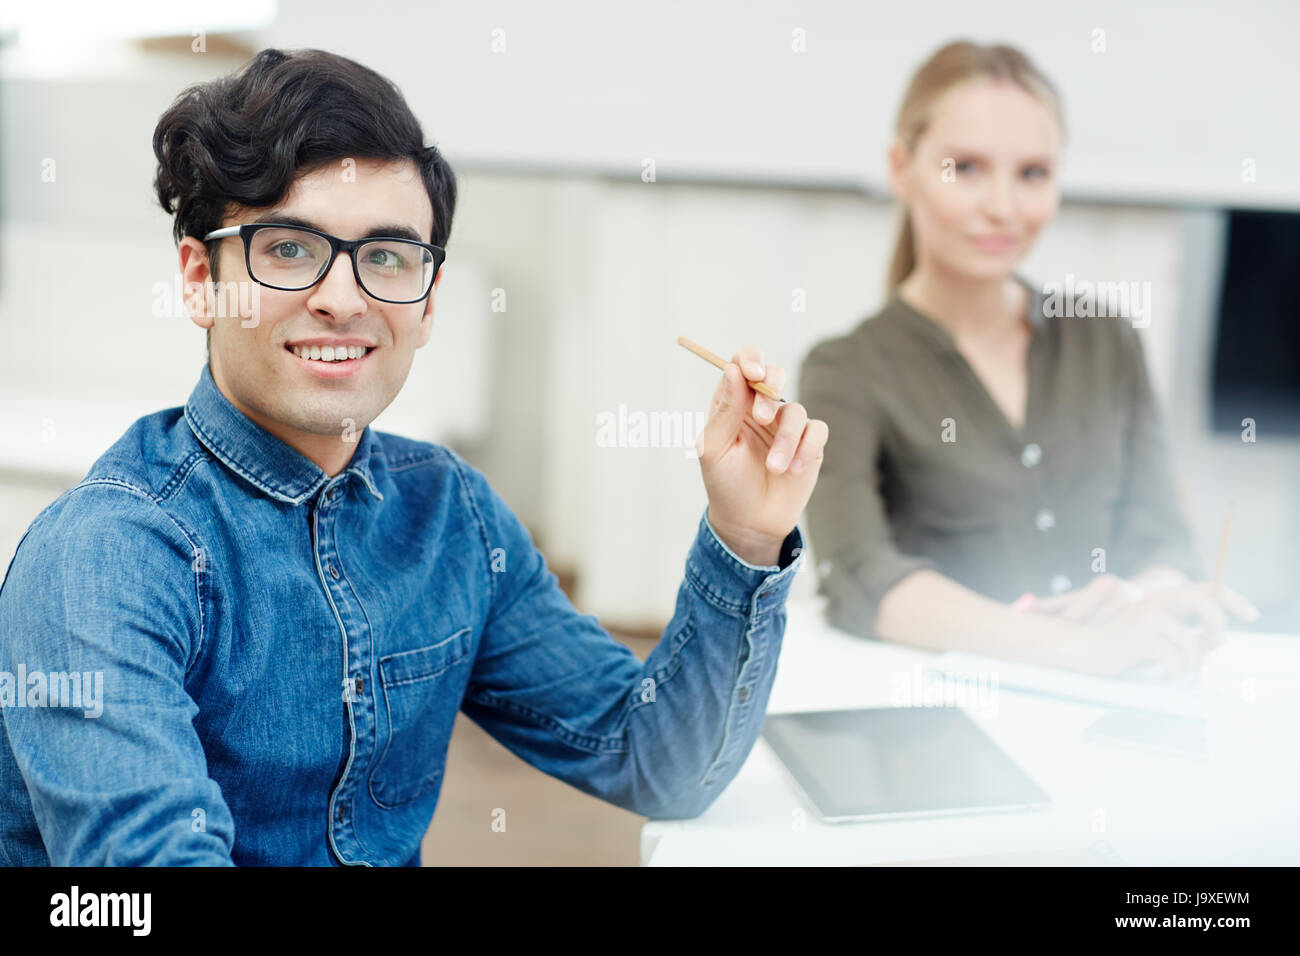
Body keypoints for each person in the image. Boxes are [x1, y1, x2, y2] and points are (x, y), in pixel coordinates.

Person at [0, 48, 828, 866]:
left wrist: (745, 536)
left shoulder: (448, 515)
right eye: (287, 248)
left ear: (429, 304)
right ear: (198, 279)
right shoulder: (104, 557)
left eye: (387, 257)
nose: (342, 298)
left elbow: (658, 761)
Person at [799, 40, 1254, 681]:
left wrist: (1141, 598)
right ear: (902, 168)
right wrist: (1078, 651)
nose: (1004, 207)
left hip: (1119, 697)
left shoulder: (1106, 337)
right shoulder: (845, 368)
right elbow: (855, 576)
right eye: (967, 168)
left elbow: (1163, 542)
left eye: (1033, 174)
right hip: (946, 720)